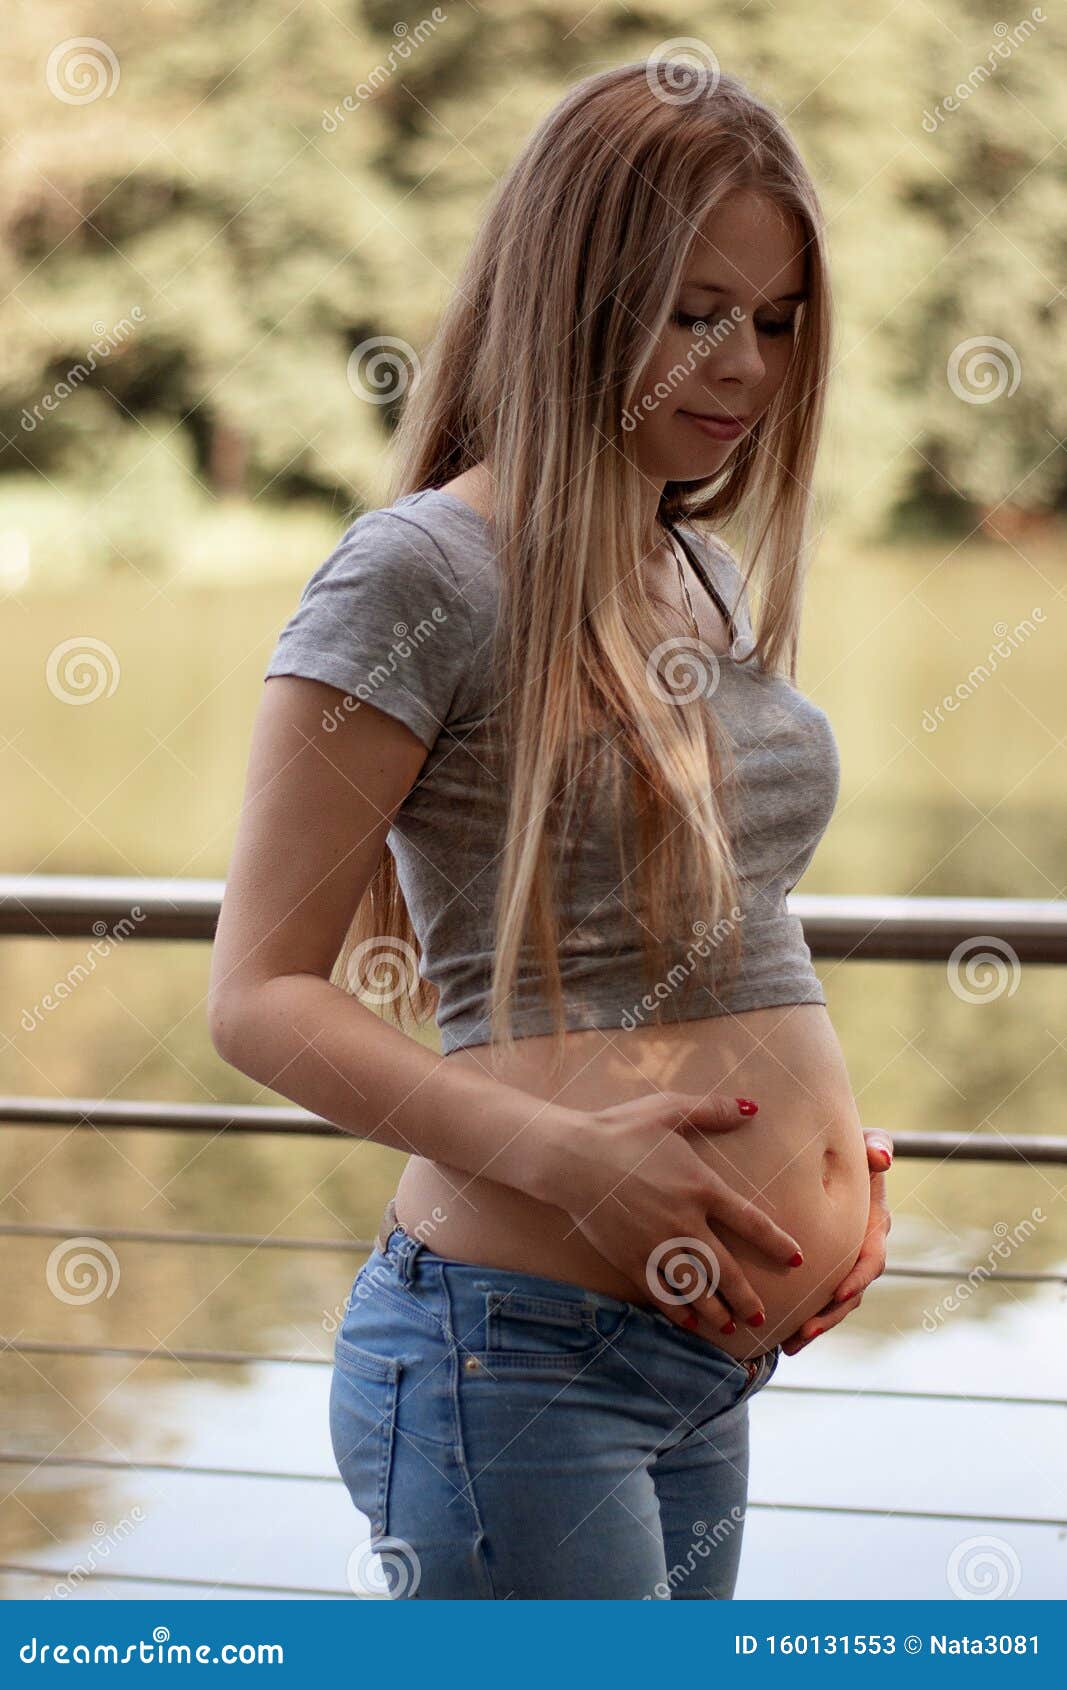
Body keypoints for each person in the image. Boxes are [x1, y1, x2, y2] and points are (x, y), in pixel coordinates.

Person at [209, 57, 892, 1600]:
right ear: (572, 297)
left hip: (692, 1361)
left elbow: (724, 930)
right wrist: (580, 1165)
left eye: (777, 322)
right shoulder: (418, 577)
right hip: (510, 1362)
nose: (745, 366)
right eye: (693, 311)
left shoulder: (692, 569)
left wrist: (834, 1167)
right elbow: (257, 995)